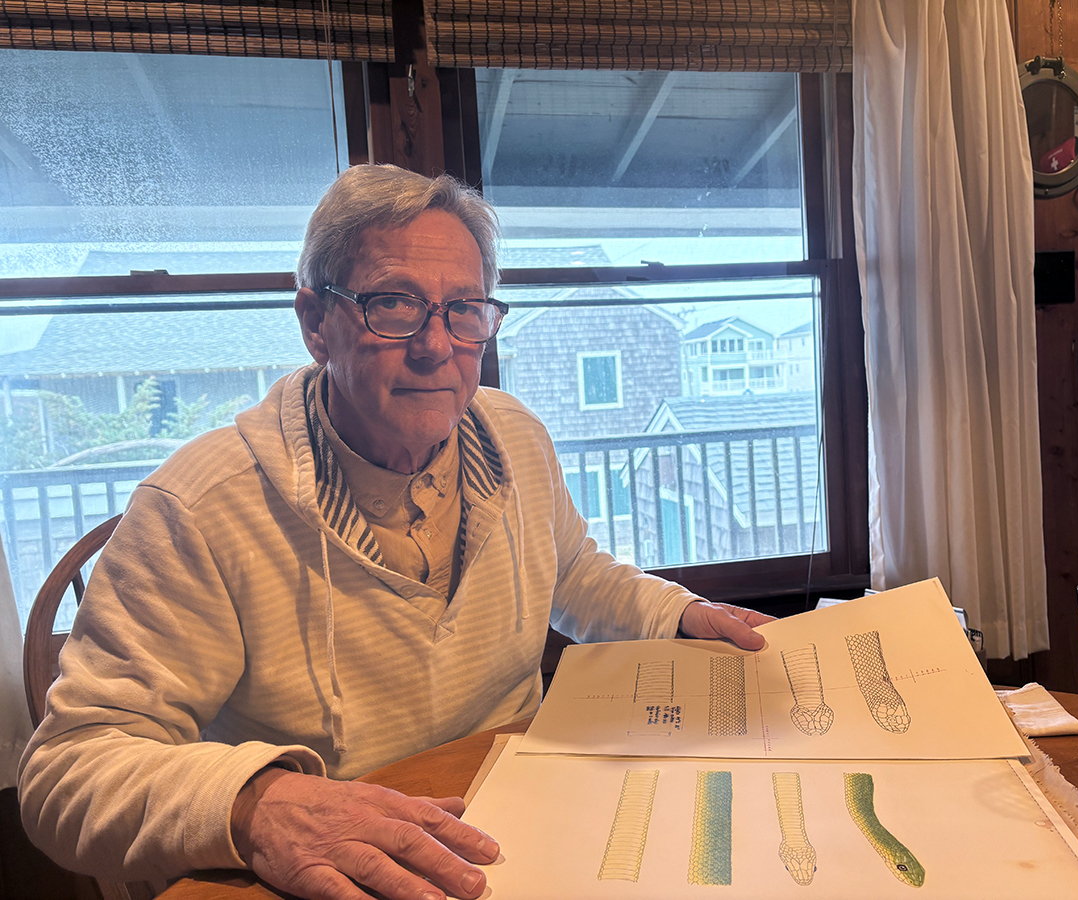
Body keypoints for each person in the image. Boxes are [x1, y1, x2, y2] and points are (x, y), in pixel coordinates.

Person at [18, 165, 770, 900]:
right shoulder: (202, 507)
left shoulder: (516, 437)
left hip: (519, 819)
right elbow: (68, 772)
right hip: (332, 865)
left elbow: (570, 569)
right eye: (394, 305)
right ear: (316, 322)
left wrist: (676, 614)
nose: (436, 346)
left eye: (464, 308)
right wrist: (257, 805)